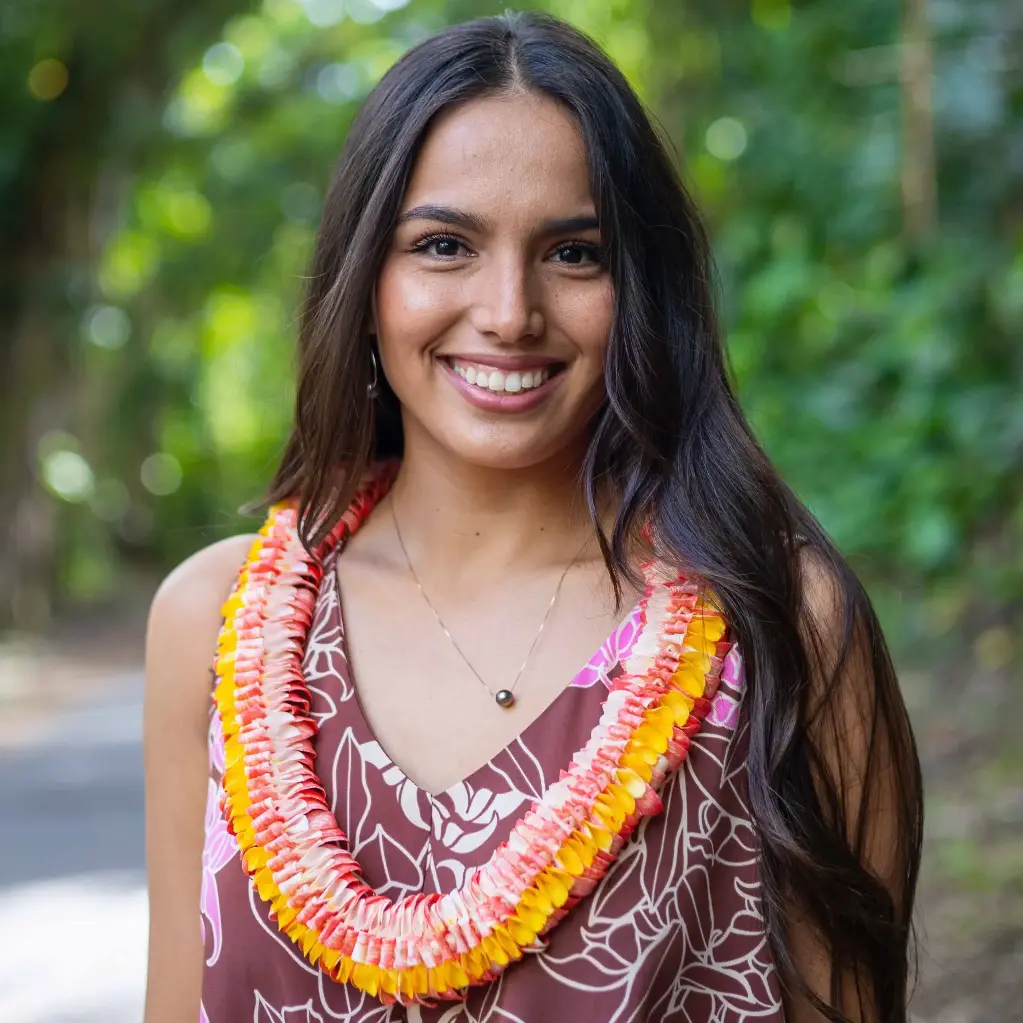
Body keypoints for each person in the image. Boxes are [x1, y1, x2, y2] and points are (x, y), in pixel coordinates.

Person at [142, 11, 922, 1023]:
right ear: (365, 283)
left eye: (575, 254)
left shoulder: (780, 630)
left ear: (642, 291)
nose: (510, 310)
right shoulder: (212, 625)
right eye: (445, 244)